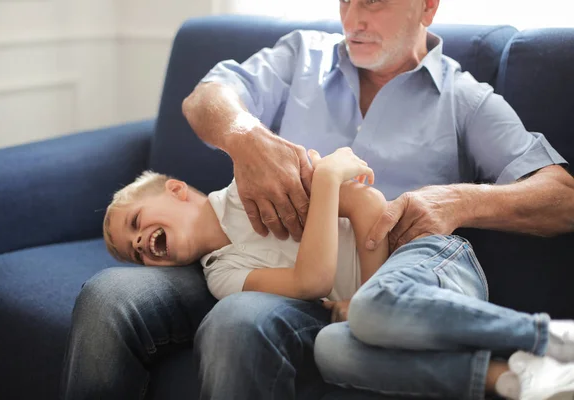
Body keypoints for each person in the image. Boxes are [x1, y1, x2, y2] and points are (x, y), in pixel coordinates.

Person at [60, 0, 574, 399]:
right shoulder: (301, 53)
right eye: (346, 0)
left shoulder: (465, 100)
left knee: (236, 324)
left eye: (372, 1)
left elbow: (562, 196)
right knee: (108, 298)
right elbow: (205, 98)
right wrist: (245, 138)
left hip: (379, 271)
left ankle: (545, 346)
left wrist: (458, 201)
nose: (353, 20)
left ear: (427, 5)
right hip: (272, 271)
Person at [102, 151, 574, 400]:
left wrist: (370, 293)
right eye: (134, 254)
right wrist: (328, 178)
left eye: (137, 223)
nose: (141, 245)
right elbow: (308, 284)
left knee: (365, 314)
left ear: (178, 191)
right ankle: (513, 381)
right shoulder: (222, 277)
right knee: (330, 348)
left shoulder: (260, 187)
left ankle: (546, 335)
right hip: (378, 313)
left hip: (427, 257)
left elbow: (369, 204)